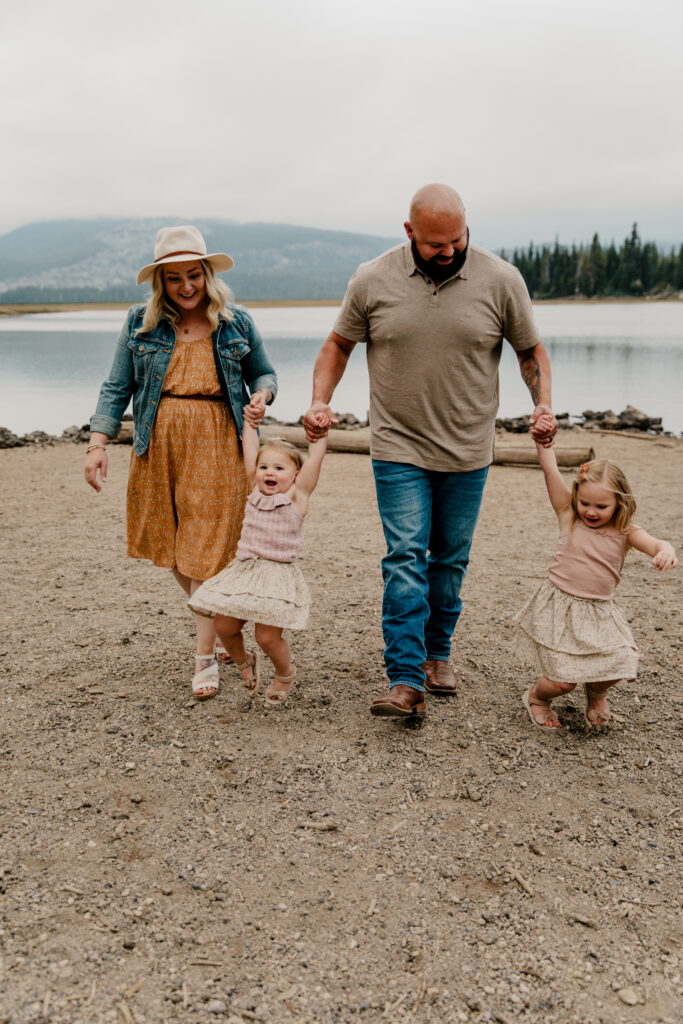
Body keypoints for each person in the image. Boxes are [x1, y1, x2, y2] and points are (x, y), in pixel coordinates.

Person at [303, 182, 557, 718]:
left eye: (456, 240)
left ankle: (437, 654)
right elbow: (338, 344)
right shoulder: (372, 278)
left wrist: (543, 404)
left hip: (468, 449)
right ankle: (404, 677)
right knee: (403, 560)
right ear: (409, 232)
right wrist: (320, 400)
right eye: (434, 244)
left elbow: (529, 348)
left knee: (448, 562)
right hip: (397, 447)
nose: (448, 251)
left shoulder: (501, 278)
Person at [85, 225, 277, 700]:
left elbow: (264, 373)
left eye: (194, 275)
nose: (186, 286)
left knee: (207, 548)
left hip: (218, 442)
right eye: (175, 279)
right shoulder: (139, 323)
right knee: (172, 545)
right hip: (159, 443)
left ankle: (205, 655)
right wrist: (96, 444)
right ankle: (226, 635)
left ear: (208, 275)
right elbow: (115, 388)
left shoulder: (237, 322)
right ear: (161, 283)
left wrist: (264, 397)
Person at [515, 444, 677, 728]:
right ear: (576, 497)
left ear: (619, 504)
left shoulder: (625, 531)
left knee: (620, 662)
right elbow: (550, 469)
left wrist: (666, 551)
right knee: (563, 682)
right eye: (585, 503)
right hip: (560, 608)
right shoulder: (568, 514)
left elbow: (656, 543)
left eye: (601, 506)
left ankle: (597, 691)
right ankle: (537, 697)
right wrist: (543, 441)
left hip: (600, 610)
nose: (590, 512)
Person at [188, 421, 328, 706]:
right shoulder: (254, 489)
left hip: (275, 577)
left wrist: (320, 435)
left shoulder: (297, 496)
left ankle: (284, 673)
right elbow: (250, 449)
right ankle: (243, 661)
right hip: (244, 571)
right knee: (223, 626)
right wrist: (250, 424)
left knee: (266, 637)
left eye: (279, 468)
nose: (269, 473)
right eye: (265, 467)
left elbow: (316, 459)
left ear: (296, 474)